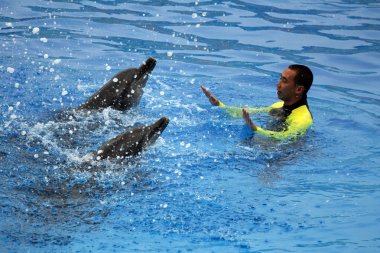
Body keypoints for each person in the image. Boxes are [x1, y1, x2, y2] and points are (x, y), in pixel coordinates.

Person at [201, 64, 313, 140]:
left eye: (284, 81)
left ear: (298, 89)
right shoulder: (278, 106)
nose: (278, 84)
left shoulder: (303, 118)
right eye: (280, 78)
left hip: (283, 157)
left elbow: (285, 137)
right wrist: (219, 105)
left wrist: (256, 129)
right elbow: (247, 113)